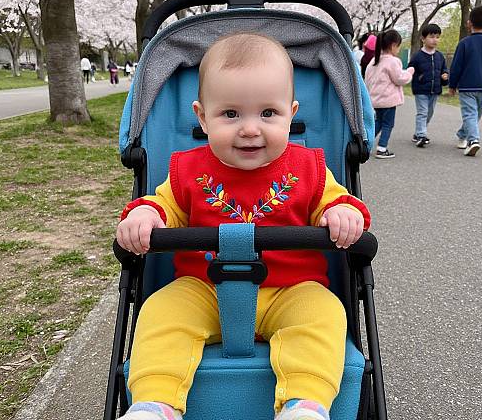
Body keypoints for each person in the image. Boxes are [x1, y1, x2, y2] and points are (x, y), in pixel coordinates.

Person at [116, 32, 371, 420]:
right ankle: (155, 403)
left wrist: (341, 213)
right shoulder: (188, 170)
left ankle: (304, 405)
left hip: (292, 290)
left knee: (323, 315)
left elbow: (337, 201)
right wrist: (146, 216)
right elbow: (163, 204)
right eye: (230, 114)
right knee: (160, 312)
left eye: (268, 113)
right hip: (203, 289)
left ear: (291, 112)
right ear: (202, 116)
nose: (250, 129)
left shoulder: (310, 169)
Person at [449, 5, 482, 156]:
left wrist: (452, 85)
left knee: (472, 115)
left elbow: (456, 67)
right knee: (474, 114)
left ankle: (462, 135)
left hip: (467, 86)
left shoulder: (464, 43)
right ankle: (473, 140)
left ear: (469, 23)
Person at [364, 29, 414, 159]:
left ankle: (365, 143)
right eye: (398, 47)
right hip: (388, 100)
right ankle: (382, 148)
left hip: (376, 100)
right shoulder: (393, 61)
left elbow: (367, 79)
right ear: (393, 45)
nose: (398, 50)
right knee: (388, 124)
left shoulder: (374, 61)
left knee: (378, 122)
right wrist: (409, 72)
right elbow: (400, 79)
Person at [408, 23, 449, 147]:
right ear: (423, 38)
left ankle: (418, 133)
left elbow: (444, 70)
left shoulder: (440, 56)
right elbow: (410, 70)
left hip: (435, 90)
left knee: (429, 113)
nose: (434, 40)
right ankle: (421, 135)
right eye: (431, 37)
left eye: (437, 37)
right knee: (423, 112)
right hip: (421, 90)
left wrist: (445, 77)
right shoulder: (417, 56)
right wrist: (416, 77)